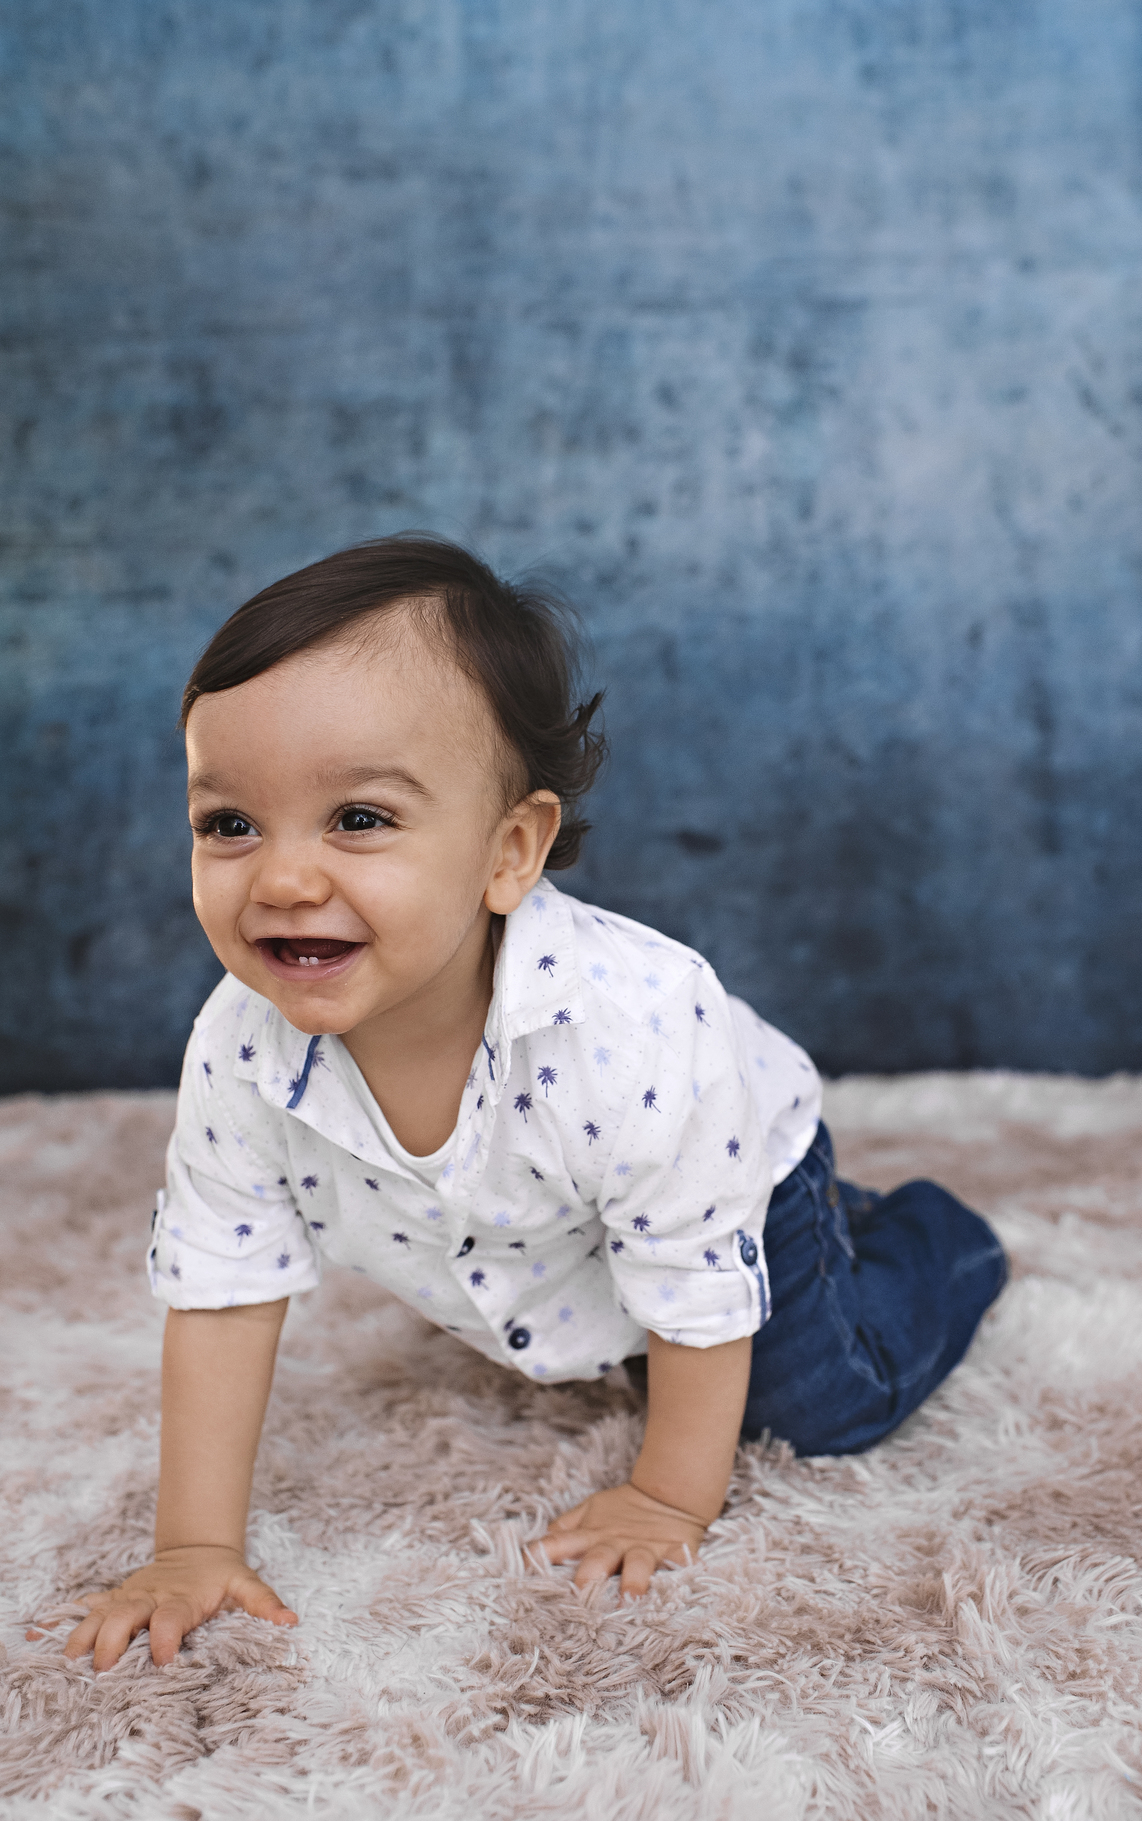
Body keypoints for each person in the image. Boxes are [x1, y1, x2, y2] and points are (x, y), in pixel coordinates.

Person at [48, 536, 1006, 1672]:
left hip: (732, 1161)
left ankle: (936, 1237)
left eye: (359, 819)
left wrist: (666, 1499)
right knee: (637, 1333)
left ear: (510, 852)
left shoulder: (632, 1026)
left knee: (808, 1403)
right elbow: (218, 1290)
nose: (283, 878)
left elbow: (694, 1281)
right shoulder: (239, 1051)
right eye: (229, 824)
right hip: (576, 1221)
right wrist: (193, 1543)